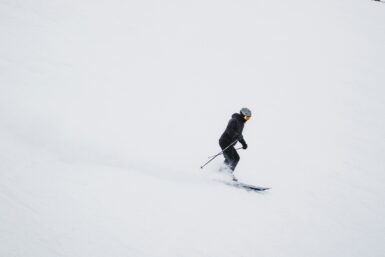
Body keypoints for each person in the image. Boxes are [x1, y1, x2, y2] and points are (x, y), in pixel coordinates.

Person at [219, 108, 251, 177]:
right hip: (225, 141)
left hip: (229, 143)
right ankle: (227, 174)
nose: (247, 119)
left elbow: (239, 135)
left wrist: (243, 143)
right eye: (247, 117)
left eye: (249, 118)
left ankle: (220, 173)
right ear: (243, 115)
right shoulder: (234, 120)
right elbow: (229, 130)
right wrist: (236, 135)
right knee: (232, 158)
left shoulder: (241, 123)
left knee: (235, 158)